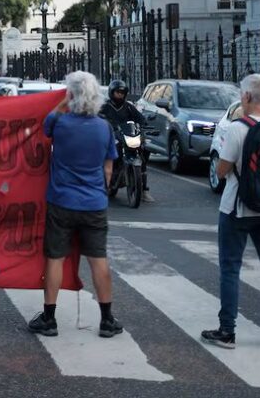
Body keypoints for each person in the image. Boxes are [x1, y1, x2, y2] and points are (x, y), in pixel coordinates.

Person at [201, 74, 260, 351]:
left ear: (245, 98)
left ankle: (227, 331)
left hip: (237, 208)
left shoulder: (237, 129)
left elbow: (221, 171)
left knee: (230, 269)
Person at [27, 71, 124, 340]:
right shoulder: (104, 127)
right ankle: (106, 319)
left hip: (61, 201)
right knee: (98, 259)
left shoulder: (59, 122)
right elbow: (108, 169)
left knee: (55, 258)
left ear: (71, 96)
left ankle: (49, 317)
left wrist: (64, 101)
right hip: (93, 203)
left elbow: (46, 127)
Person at [99, 79, 152, 202]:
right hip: (112, 137)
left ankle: (144, 189)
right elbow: (97, 118)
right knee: (108, 156)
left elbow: (140, 118)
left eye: (122, 93)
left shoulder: (128, 107)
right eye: (117, 92)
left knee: (144, 151)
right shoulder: (105, 107)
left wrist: (144, 124)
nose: (120, 95)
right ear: (112, 93)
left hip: (128, 136)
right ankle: (105, 182)